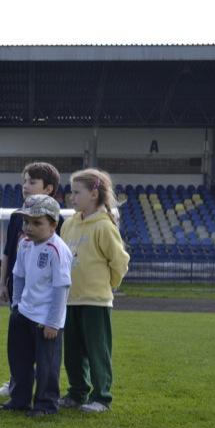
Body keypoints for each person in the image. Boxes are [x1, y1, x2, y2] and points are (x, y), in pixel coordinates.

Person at [59, 168, 130, 413]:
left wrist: (110, 285)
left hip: (95, 301)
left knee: (97, 351)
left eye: (77, 192)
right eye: (71, 192)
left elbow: (119, 261)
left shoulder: (104, 226)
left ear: (94, 194)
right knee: (72, 352)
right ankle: (77, 392)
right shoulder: (69, 224)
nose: (72, 197)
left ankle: (102, 397)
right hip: (70, 299)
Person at [0, 194, 72, 416]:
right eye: (26, 221)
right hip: (23, 314)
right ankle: (19, 400)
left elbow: (61, 288)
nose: (29, 227)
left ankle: (46, 405)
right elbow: (18, 275)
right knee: (19, 361)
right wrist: (16, 306)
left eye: (37, 223)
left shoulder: (57, 250)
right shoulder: (24, 244)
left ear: (53, 225)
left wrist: (53, 323)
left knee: (47, 366)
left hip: (45, 320)